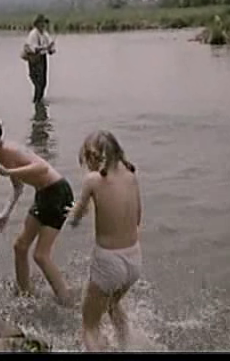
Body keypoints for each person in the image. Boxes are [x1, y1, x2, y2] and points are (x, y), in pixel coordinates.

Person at [0, 112, 73, 305]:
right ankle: (24, 294)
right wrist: (6, 212)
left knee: (40, 255)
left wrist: (8, 171)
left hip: (58, 193)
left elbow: (42, 168)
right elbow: (18, 187)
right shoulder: (1, 155)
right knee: (20, 247)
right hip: (44, 194)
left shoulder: (10, 150)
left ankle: (67, 301)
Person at [67, 130, 142, 351]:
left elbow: (75, 219)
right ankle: (127, 346)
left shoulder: (93, 180)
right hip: (134, 259)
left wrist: (74, 213)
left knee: (89, 326)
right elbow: (138, 218)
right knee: (113, 305)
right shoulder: (131, 176)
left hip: (109, 261)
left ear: (93, 157)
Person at [23, 14, 56, 103]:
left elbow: (50, 47)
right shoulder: (33, 34)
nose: (43, 25)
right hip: (34, 60)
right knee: (37, 82)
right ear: (37, 24)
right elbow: (34, 49)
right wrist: (46, 47)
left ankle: (39, 101)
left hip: (42, 59)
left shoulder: (45, 34)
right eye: (42, 23)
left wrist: (51, 49)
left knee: (43, 82)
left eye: (44, 23)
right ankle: (37, 102)